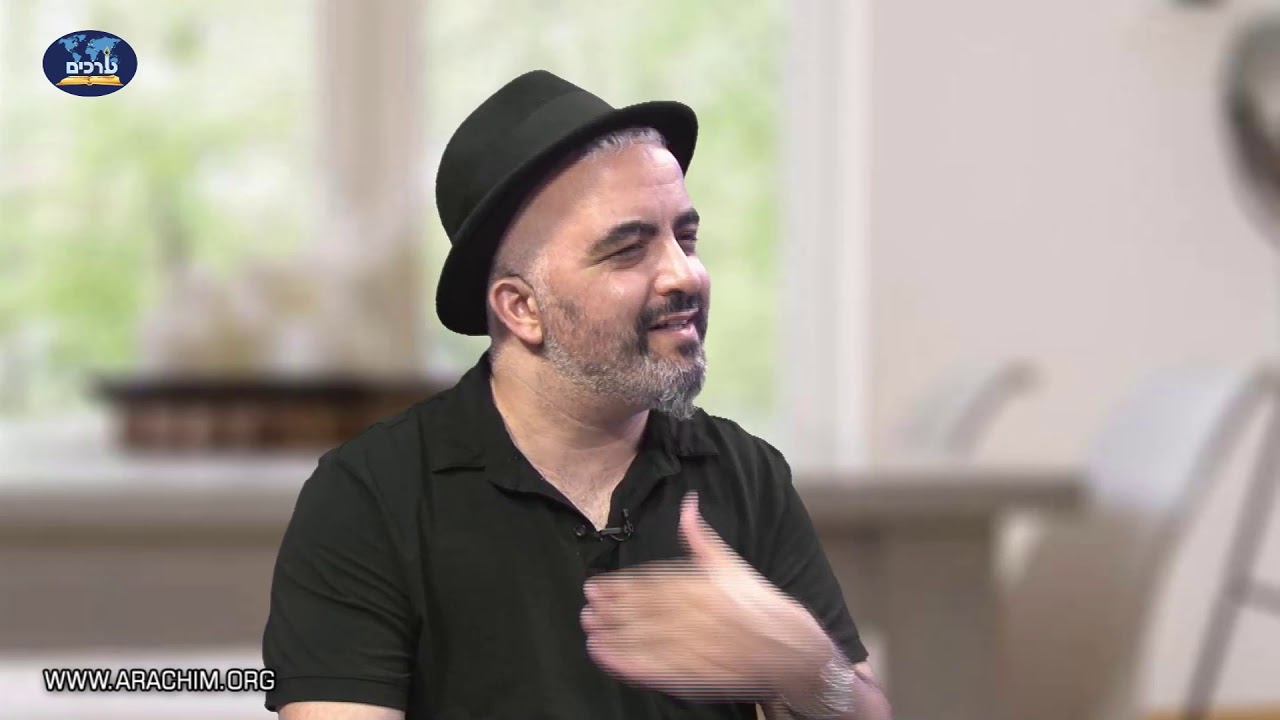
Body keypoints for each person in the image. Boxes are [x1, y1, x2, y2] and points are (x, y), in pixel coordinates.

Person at [261, 70, 892, 720]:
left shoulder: (743, 473)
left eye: (686, 238)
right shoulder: (371, 496)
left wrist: (804, 665)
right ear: (521, 308)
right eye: (630, 250)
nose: (685, 274)